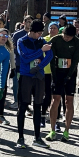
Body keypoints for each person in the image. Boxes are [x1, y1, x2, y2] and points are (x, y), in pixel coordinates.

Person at [16, 20, 53, 149]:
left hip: (38, 76)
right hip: (26, 76)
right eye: (38, 33)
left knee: (38, 105)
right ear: (32, 31)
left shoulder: (42, 41)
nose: (40, 35)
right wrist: (40, 51)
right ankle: (20, 137)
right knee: (23, 105)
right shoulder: (21, 41)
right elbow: (25, 58)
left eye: (41, 33)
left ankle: (37, 137)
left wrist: (39, 67)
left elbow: (50, 55)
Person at [46, 24, 79, 143]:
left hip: (70, 73)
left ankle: (67, 130)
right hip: (57, 71)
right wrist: (54, 75)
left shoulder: (77, 42)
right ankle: (52, 129)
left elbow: (76, 61)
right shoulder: (55, 40)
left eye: (69, 37)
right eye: (65, 36)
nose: (66, 38)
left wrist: (69, 76)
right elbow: (50, 58)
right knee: (55, 99)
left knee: (68, 101)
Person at [11, 15, 32, 109]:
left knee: (28, 84)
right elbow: (12, 48)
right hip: (18, 63)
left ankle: (26, 103)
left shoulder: (34, 35)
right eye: (27, 21)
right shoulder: (17, 35)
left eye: (31, 21)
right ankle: (16, 101)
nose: (29, 23)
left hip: (30, 64)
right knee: (16, 83)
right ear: (23, 22)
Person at [41, 22, 59, 128]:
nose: (52, 30)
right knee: (47, 96)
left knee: (57, 97)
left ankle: (56, 121)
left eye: (55, 28)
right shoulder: (44, 39)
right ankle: (42, 117)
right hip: (46, 71)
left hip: (57, 71)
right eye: (51, 28)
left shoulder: (61, 39)